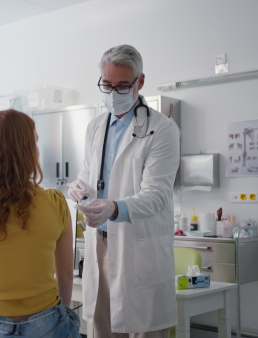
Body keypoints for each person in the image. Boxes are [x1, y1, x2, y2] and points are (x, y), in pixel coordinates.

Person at [69, 45, 180, 337]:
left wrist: (113, 208)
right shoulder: (95, 126)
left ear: (140, 82)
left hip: (137, 245)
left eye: (121, 86)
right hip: (100, 243)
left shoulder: (162, 129)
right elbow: (90, 172)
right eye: (107, 85)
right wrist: (79, 185)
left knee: (143, 328)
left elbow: (156, 195)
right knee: (104, 328)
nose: (113, 93)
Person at [0, 109, 80, 337]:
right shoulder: (55, 202)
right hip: (47, 323)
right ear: (27, 150)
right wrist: (63, 318)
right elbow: (66, 275)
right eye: (35, 142)